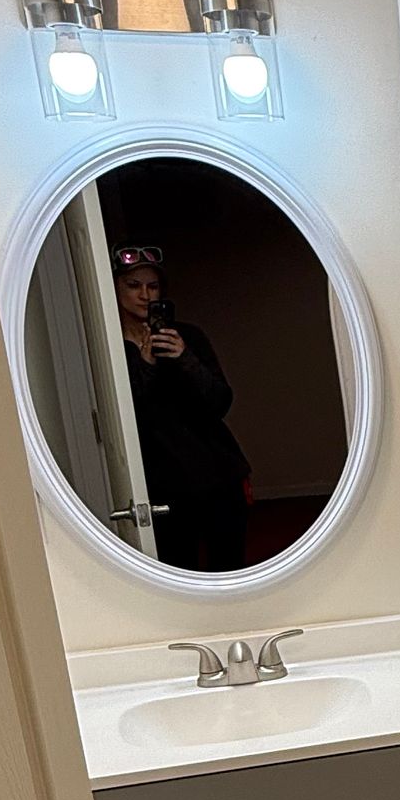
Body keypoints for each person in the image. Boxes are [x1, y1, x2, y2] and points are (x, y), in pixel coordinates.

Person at [109, 244, 250, 571]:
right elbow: (129, 418)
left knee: (229, 567)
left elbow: (220, 401)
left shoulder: (187, 336)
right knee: (176, 567)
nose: (144, 295)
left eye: (152, 286)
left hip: (219, 474)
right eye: (133, 286)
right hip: (162, 487)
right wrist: (146, 364)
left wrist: (185, 358)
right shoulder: (109, 345)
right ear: (114, 288)